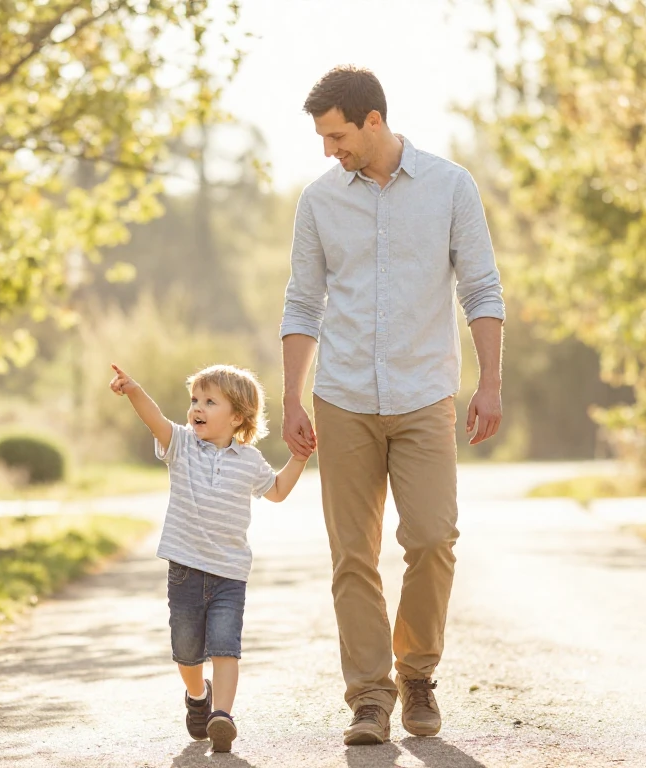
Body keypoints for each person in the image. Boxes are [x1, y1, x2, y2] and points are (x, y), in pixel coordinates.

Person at [279, 65, 506, 746]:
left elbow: (483, 290)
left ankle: (417, 673)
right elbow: (301, 301)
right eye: (323, 138)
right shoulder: (318, 202)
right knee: (353, 554)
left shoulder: (450, 186)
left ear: (373, 121)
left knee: (433, 538)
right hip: (342, 395)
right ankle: (370, 698)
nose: (329, 150)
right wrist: (291, 397)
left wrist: (490, 382)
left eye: (337, 135)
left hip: (423, 393)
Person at [108, 362, 311, 753]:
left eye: (209, 401)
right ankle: (198, 695)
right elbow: (155, 420)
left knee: (225, 647)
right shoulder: (182, 445)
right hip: (185, 570)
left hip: (229, 576)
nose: (196, 408)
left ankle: (222, 716)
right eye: (195, 400)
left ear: (237, 416)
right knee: (186, 652)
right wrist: (134, 390)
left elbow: (279, 490)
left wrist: (299, 457)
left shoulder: (249, 461)